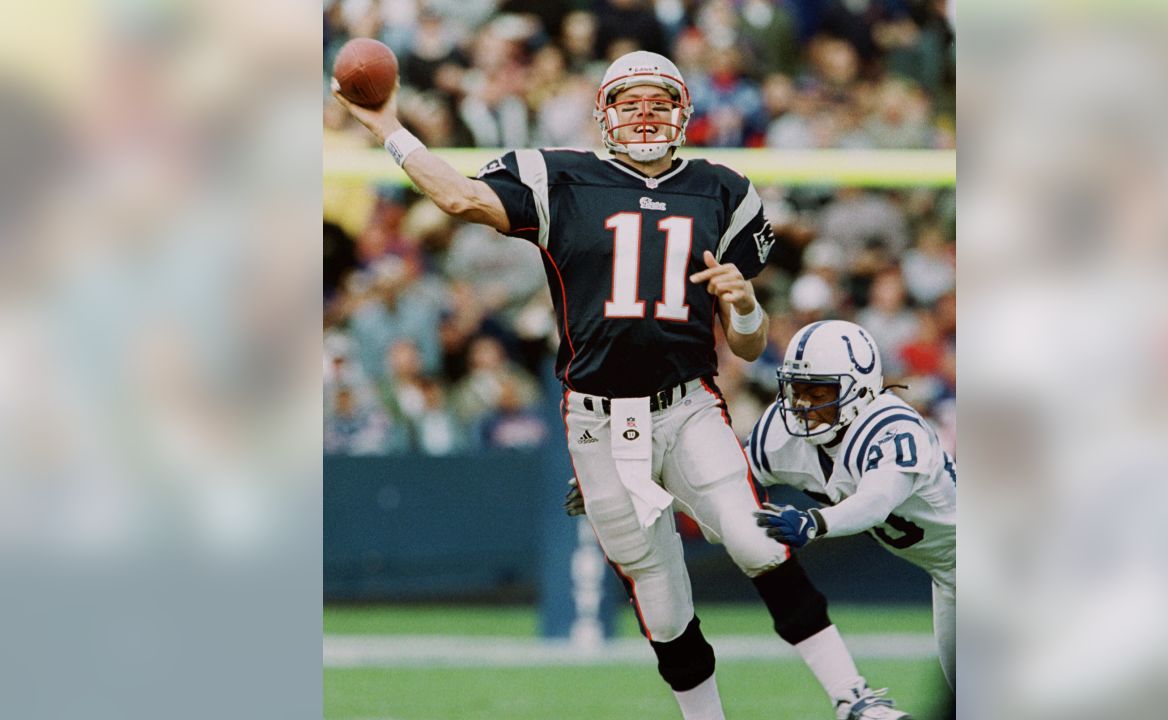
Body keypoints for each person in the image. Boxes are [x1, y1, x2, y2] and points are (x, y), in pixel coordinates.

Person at [334, 49, 906, 720]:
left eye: (658, 103)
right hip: (599, 422)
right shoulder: (562, 177)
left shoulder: (722, 189)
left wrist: (745, 304)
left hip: (688, 404)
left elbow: (748, 345)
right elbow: (461, 196)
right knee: (663, 602)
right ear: (603, 113)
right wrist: (389, 129)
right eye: (629, 103)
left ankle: (853, 696)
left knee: (756, 539)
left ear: (683, 112)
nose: (644, 116)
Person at [750, 320, 957, 695]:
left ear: (859, 389)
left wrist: (816, 521)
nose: (804, 406)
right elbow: (730, 479)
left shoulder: (892, 427)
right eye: (798, 390)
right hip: (948, 575)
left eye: (819, 392)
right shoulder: (781, 433)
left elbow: (875, 502)